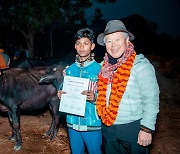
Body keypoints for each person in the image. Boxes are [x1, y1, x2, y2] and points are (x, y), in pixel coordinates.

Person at [95, 20, 159, 154]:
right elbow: (100, 94)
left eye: (117, 39)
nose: (113, 45)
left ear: (127, 40)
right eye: (109, 41)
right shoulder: (103, 68)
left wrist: (147, 129)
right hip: (108, 128)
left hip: (133, 128)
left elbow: (151, 99)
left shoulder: (141, 66)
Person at [57, 28, 102, 154]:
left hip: (92, 123)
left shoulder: (99, 70)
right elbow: (63, 87)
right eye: (78, 43)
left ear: (92, 46)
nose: (81, 47)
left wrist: (95, 98)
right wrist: (60, 93)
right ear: (75, 46)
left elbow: (107, 97)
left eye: (85, 43)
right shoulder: (70, 70)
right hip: (72, 123)